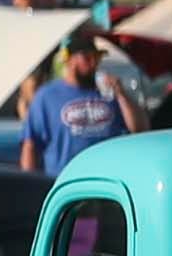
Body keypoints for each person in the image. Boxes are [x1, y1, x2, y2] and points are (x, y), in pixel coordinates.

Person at [19, 31, 132, 175]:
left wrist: (122, 95)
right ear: (70, 60)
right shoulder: (47, 96)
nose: (93, 63)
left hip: (106, 183)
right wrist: (29, 185)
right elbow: (30, 145)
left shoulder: (108, 93)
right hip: (67, 186)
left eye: (96, 58)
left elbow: (139, 128)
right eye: (87, 57)